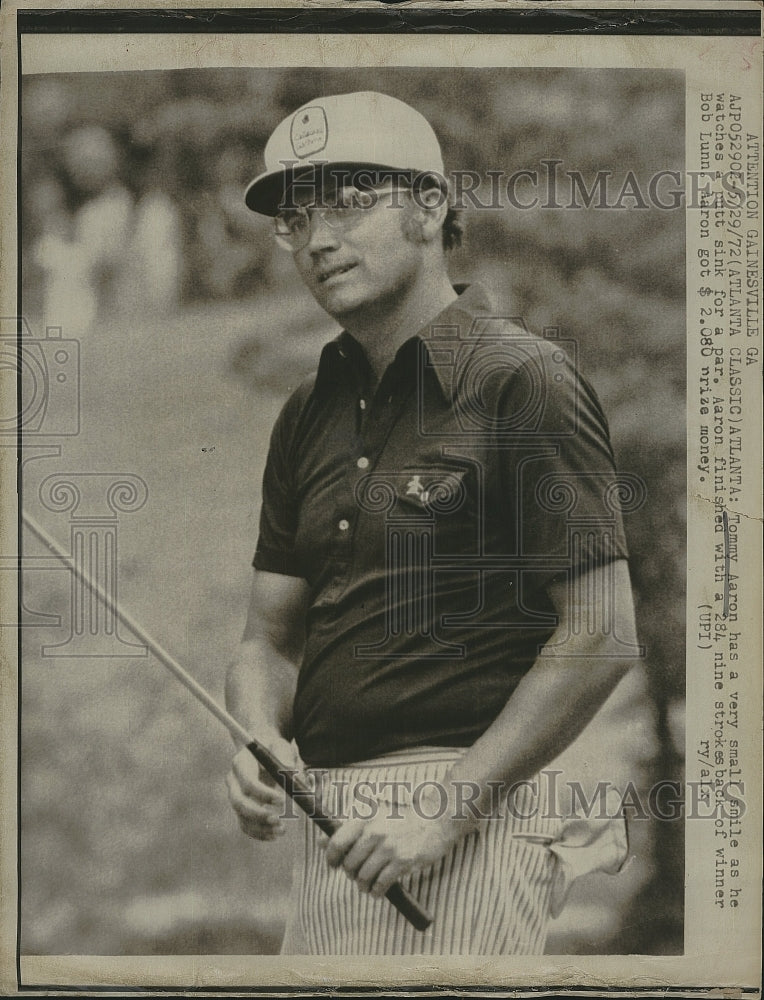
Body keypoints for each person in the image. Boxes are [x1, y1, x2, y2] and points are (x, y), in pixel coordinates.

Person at [225, 91, 639, 955]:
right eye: (295, 216)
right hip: (335, 832)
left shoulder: (521, 378)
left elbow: (602, 635)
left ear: (430, 206)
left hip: (471, 820)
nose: (318, 237)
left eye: (348, 201)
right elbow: (271, 641)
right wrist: (258, 733)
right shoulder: (309, 409)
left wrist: (445, 811)